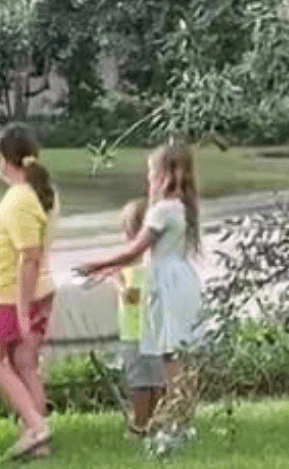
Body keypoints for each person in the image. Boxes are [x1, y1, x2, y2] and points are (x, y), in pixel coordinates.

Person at [78, 143, 204, 424]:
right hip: (181, 279)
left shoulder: (162, 211)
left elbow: (135, 250)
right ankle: (183, 413)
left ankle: (177, 417)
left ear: (162, 174)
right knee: (178, 353)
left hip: (164, 285)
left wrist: (98, 264)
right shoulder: (184, 208)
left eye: (150, 172)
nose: (148, 178)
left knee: (169, 355)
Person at [0, 123, 58, 459]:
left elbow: (29, 256)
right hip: (24, 293)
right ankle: (37, 440)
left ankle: (35, 425)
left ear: (1, 160)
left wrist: (22, 310)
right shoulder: (34, 195)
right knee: (24, 362)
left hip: (8, 296)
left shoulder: (19, 199)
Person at [112, 198, 167, 435]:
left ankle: (141, 423)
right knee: (155, 381)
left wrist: (118, 284)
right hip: (156, 333)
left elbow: (133, 298)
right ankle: (154, 423)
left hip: (135, 333)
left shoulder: (133, 267)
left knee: (141, 383)